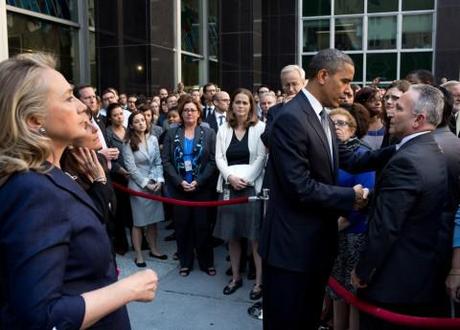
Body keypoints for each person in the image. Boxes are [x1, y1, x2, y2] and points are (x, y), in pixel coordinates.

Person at [0, 53, 157, 329]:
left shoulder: (49, 176)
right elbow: (42, 317)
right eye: (68, 97)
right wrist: (129, 290)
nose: (84, 106)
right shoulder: (32, 190)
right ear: (35, 121)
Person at [259, 49, 392, 330]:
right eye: (344, 81)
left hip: (314, 247)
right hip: (291, 251)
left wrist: (398, 149)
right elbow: (300, 187)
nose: (348, 90)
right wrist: (350, 197)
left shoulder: (323, 116)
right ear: (322, 76)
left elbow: (350, 158)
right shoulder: (291, 118)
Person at [352, 85, 452, 329]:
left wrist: (363, 271)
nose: (390, 111)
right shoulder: (430, 149)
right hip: (419, 275)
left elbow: (386, 226)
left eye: (399, 108)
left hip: (394, 282)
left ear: (418, 119)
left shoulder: (407, 160)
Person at [214, 88, 267, 299]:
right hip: (228, 187)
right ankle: (235, 277)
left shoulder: (260, 127)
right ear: (232, 105)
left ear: (251, 106)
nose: (241, 106)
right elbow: (219, 157)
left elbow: (261, 158)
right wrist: (230, 177)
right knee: (232, 236)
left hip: (251, 188)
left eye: (245, 103)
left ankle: (259, 283)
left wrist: (247, 179)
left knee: (255, 238)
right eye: (237, 102)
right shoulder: (224, 128)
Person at [328, 106, 374, 330]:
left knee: (353, 293)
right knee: (336, 290)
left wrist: (339, 224)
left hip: (354, 232)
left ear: (353, 129)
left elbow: (363, 199)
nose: (336, 127)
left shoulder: (361, 154)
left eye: (341, 123)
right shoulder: (328, 154)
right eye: (331, 123)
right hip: (331, 231)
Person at [161, 95, 217, 277]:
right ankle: (185, 262)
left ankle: (206, 262)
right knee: (182, 226)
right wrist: (180, 181)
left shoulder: (208, 133)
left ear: (199, 112)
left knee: (202, 226)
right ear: (181, 113)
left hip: (202, 188)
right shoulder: (171, 133)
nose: (189, 113)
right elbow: (167, 161)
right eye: (185, 110)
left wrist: (198, 181)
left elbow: (212, 161)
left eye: (193, 110)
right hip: (180, 188)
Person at [123, 111, 167, 267]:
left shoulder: (153, 139)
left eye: (143, 120)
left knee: (153, 221)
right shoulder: (128, 142)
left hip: (154, 184)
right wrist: (146, 183)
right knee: (139, 222)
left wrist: (159, 180)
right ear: (131, 125)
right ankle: (139, 254)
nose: (141, 123)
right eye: (137, 121)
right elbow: (131, 168)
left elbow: (157, 162)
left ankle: (154, 249)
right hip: (138, 186)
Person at [105, 102, 132, 255]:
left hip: (132, 175)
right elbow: (110, 158)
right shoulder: (108, 133)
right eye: (115, 115)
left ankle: (141, 241)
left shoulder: (128, 130)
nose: (119, 117)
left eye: (121, 114)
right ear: (110, 118)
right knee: (120, 211)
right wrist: (121, 171)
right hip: (117, 177)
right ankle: (121, 243)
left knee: (132, 210)